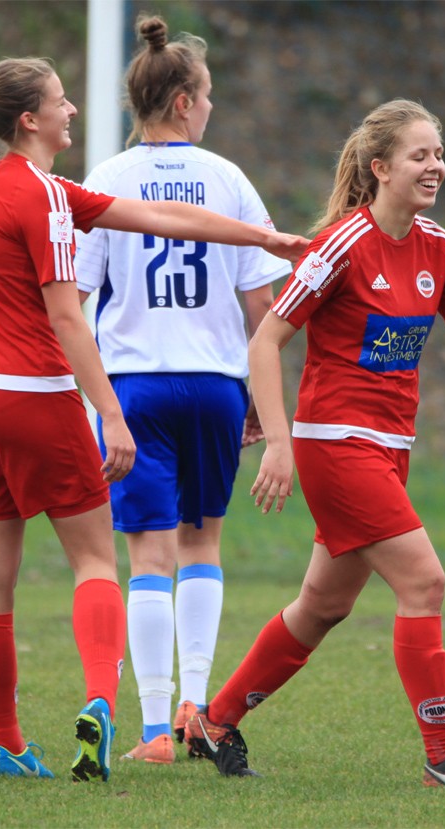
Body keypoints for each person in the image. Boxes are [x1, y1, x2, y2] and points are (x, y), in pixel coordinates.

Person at [182, 99, 445, 787]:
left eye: (439, 154)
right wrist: (278, 441)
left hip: (390, 448)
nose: (435, 166)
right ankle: (444, 756)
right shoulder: (342, 245)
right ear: (380, 168)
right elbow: (266, 340)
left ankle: (213, 721)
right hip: (335, 444)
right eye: (419, 155)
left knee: (323, 606)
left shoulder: (441, 249)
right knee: (424, 581)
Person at [0, 56, 307, 783]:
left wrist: (260, 239)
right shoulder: (43, 195)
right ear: (30, 120)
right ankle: (102, 707)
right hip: (33, 395)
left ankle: (7, 745)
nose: (73, 108)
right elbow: (67, 317)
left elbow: (160, 217)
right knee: (97, 561)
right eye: (61, 100)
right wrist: (110, 414)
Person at [74, 16, 293, 766]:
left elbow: (76, 298)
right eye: (207, 94)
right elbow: (263, 306)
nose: (211, 106)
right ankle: (196, 707)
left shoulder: (105, 180)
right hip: (215, 387)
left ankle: (153, 733)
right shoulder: (228, 179)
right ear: (181, 102)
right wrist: (261, 396)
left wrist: (93, 399)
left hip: (136, 387)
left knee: (148, 558)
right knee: (203, 543)